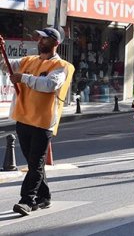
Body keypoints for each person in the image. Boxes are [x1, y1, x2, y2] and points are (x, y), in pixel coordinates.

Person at [0, 28, 75, 216]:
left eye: (44, 38)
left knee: (35, 162)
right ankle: (45, 195)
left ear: (55, 43)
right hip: (24, 118)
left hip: (43, 122)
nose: (40, 40)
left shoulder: (61, 66)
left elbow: (50, 85)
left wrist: (23, 78)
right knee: (34, 163)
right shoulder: (28, 61)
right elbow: (4, 65)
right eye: (39, 38)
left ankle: (27, 200)